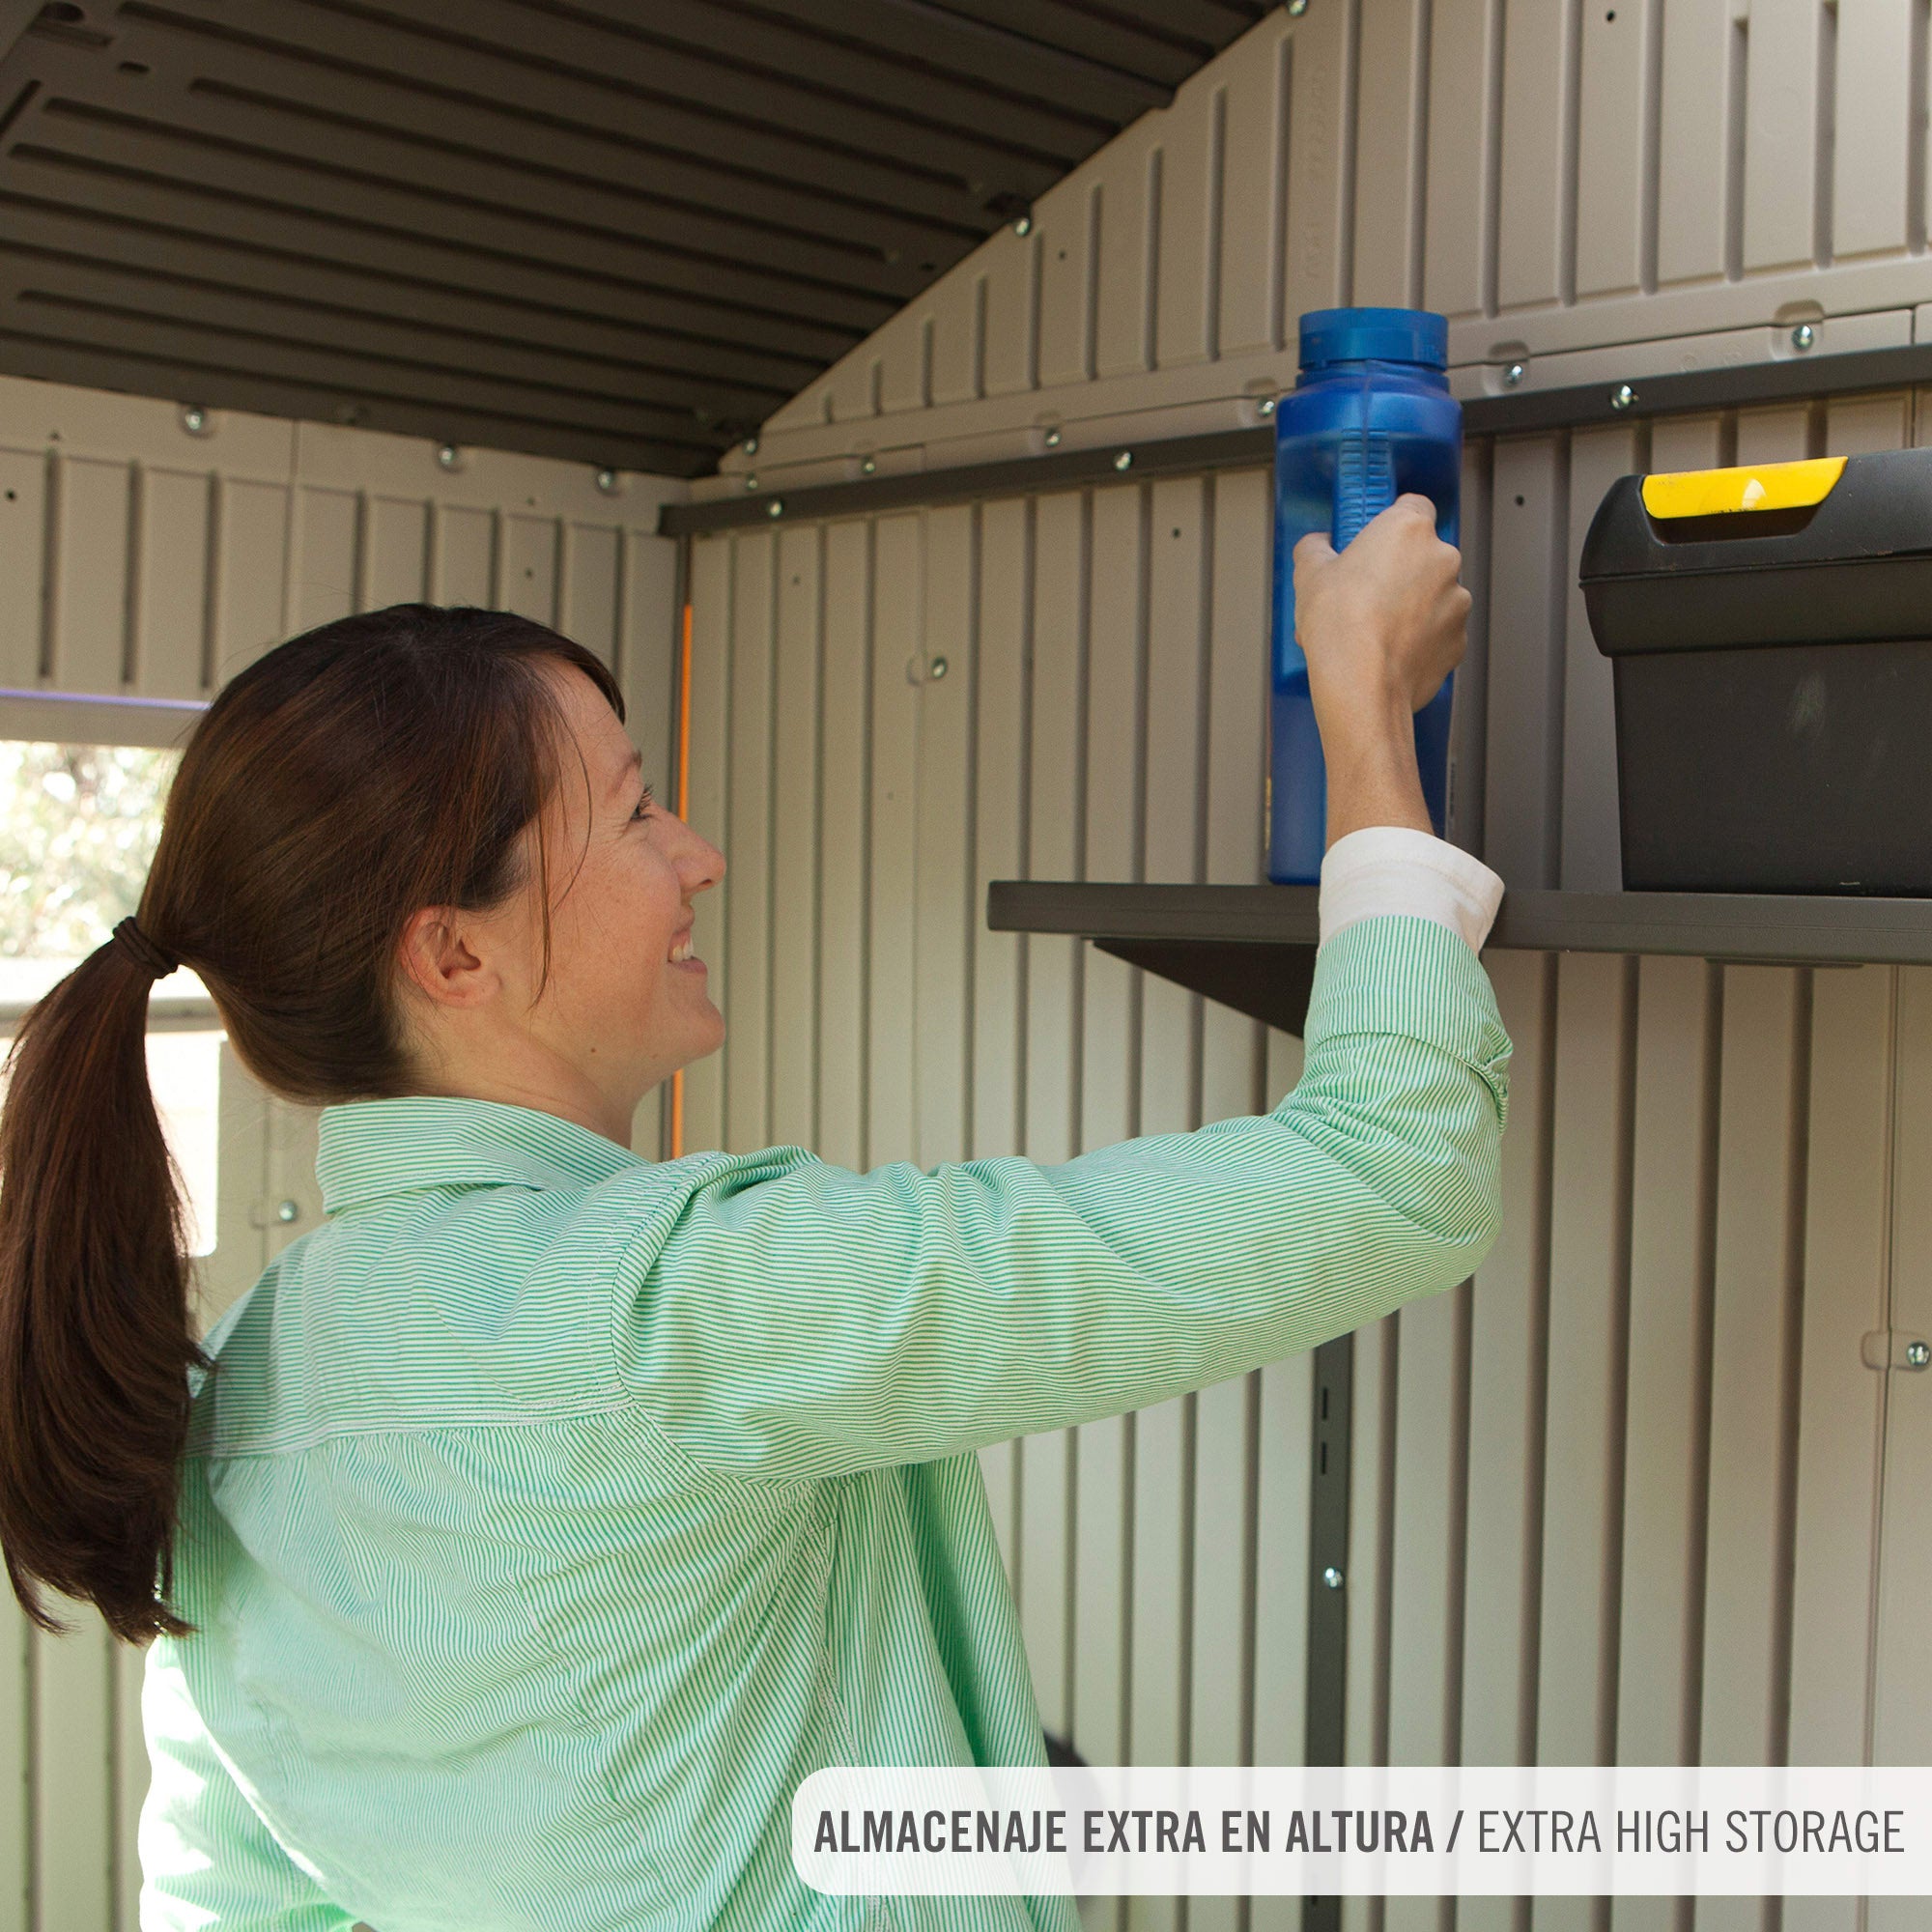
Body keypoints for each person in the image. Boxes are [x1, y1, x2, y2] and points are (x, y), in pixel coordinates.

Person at [0, 493, 1508, 1930]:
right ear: (453, 957)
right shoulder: (682, 1307)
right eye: (636, 812)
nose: (698, 856)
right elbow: (1389, 1170)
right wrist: (1366, 706)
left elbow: (233, 1902)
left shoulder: (239, 1389)